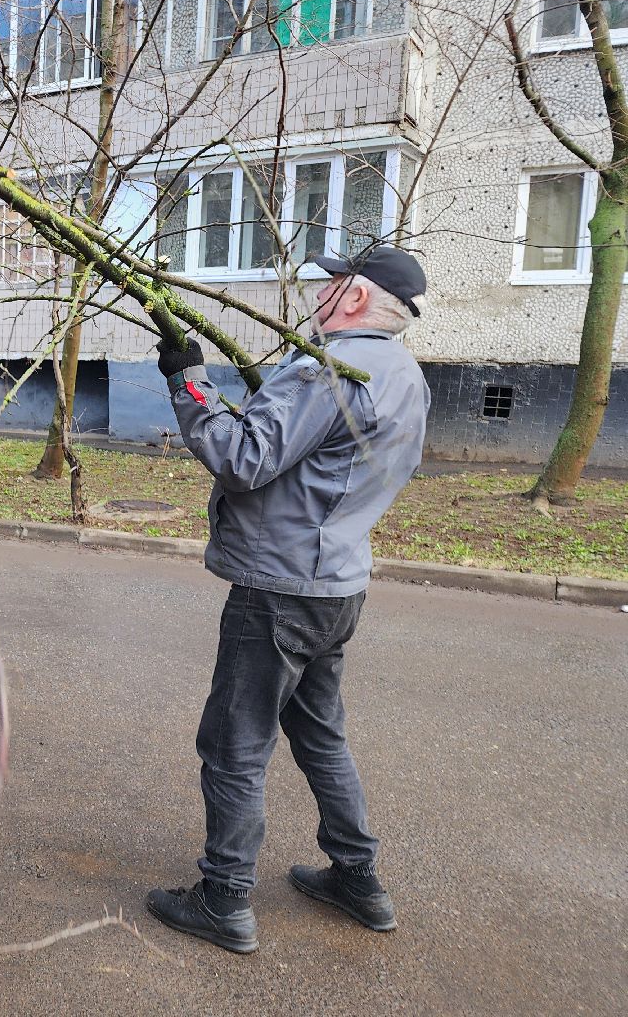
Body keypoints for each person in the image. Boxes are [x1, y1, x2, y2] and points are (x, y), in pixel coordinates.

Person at [144, 246, 431, 955]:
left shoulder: (327, 370)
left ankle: (224, 898)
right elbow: (314, 453)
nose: (322, 292)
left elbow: (243, 459)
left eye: (335, 283)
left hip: (279, 589)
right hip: (337, 585)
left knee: (234, 744)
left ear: (358, 299)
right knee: (318, 731)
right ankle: (358, 878)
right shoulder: (406, 377)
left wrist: (190, 382)